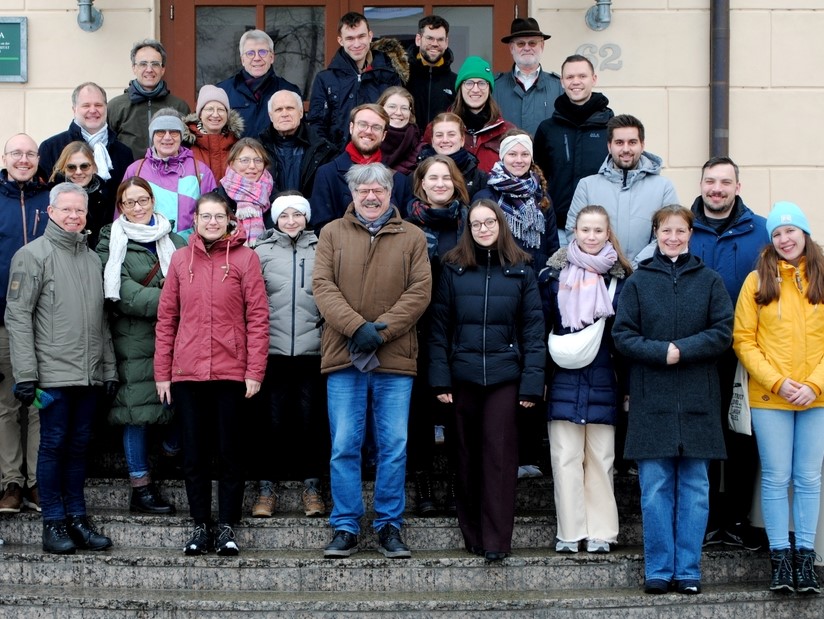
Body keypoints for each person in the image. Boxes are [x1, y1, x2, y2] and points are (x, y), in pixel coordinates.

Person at [612, 205, 733, 595]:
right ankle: (660, 569)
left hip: (699, 400)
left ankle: (689, 571)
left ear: (690, 234)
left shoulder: (710, 281)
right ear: (656, 234)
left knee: (696, 490)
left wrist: (682, 350)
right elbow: (623, 335)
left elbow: (723, 332)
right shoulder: (638, 282)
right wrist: (660, 352)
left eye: (681, 231)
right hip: (652, 401)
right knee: (655, 489)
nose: (673, 237)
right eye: (666, 231)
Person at [313, 163, 431, 559]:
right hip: (344, 356)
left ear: (390, 192)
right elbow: (322, 286)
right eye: (363, 190)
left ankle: (389, 525)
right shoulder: (331, 233)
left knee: (393, 445)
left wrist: (379, 332)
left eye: (378, 189)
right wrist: (355, 327)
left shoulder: (412, 236)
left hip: (394, 357)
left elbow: (420, 291)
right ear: (352, 194)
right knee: (344, 444)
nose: (371, 196)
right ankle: (345, 524)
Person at [428, 198, 545, 562]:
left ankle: (496, 540)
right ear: (468, 228)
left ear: (500, 225)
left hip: (505, 377)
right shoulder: (453, 267)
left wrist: (532, 383)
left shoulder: (522, 269)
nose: (483, 229)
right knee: (465, 458)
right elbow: (438, 328)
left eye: (489, 222)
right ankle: (473, 535)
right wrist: (440, 380)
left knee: (499, 460)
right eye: (476, 224)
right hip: (461, 377)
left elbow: (533, 331)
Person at [5, 182, 119, 555]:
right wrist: (26, 374)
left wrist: (109, 369)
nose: (73, 216)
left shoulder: (92, 259)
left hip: (88, 374)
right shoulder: (31, 255)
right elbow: (18, 316)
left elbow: (100, 320)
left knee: (79, 447)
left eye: (79, 210)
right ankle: (53, 521)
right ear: (51, 212)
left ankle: (77, 519)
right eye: (66, 209)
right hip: (50, 376)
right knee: (53, 445)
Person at [155, 192, 269, 556]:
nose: (212, 222)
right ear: (195, 219)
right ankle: (200, 525)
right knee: (194, 454)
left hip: (230, 372)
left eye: (219, 216)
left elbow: (258, 318)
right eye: (206, 216)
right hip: (187, 373)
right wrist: (162, 373)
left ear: (230, 219)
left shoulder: (246, 258)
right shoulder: (180, 259)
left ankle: (227, 527)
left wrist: (254, 370)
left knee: (230, 452)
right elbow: (166, 319)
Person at [733, 201, 824, 595]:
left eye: (791, 231)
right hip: (771, 398)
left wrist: (814, 385)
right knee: (776, 477)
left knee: (808, 478)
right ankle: (780, 561)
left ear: (804, 233)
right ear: (770, 240)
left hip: (816, 399)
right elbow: (744, 340)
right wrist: (777, 383)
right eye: (777, 233)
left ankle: (805, 560)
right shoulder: (757, 282)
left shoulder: (822, 276)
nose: (785, 239)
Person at [682, 157, 768, 552]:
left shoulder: (760, 231)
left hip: (743, 354)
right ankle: (703, 520)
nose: (717, 189)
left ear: (737, 186)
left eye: (725, 182)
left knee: (740, 436)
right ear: (701, 184)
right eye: (710, 181)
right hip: (694, 353)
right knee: (700, 436)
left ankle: (735, 519)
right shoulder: (683, 228)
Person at [540, 205, 632, 554]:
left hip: (605, 378)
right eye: (585, 230)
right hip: (563, 378)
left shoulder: (622, 279)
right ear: (573, 233)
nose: (591, 237)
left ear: (608, 234)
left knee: (601, 459)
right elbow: (541, 330)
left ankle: (602, 532)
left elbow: (626, 340)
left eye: (598, 231)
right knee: (565, 459)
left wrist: (627, 388)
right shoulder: (552, 276)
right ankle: (570, 532)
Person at [97, 177, 187, 515]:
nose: (138, 207)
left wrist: (176, 298)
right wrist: (173, 299)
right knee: (135, 411)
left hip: (175, 337)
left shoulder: (174, 239)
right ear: (120, 206)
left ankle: (169, 453)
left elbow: (191, 280)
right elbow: (124, 294)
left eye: (143, 200)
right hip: (132, 337)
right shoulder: (110, 241)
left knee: (182, 403)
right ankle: (141, 486)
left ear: (152, 201)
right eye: (130, 202)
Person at [251, 193, 328, 519]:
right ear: (276, 219)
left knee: (311, 421)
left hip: (313, 351)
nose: (291, 221)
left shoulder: (322, 248)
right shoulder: (261, 251)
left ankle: (312, 487)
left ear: (306, 218)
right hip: (273, 351)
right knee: (271, 422)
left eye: (297, 214)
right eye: (285, 215)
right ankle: (266, 488)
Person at [405, 155, 470, 515]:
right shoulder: (406, 225)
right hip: (419, 327)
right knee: (420, 413)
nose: (441, 183)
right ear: (422, 184)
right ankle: (425, 487)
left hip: (462, 329)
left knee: (458, 412)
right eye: (433, 178)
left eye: (447, 177)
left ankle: (458, 487)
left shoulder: (471, 222)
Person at [0, 134, 50, 516]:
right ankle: (11, 482)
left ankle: (36, 481)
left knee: (38, 404)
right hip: (3, 321)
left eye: (30, 153)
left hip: (44, 322)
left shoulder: (49, 200)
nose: (23, 159)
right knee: (4, 404)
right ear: (5, 158)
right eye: (16, 153)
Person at [567, 115, 679, 263]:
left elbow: (670, 234)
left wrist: (637, 266)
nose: (626, 149)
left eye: (632, 142)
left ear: (642, 145)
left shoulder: (663, 188)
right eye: (619, 142)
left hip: (648, 272)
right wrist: (605, 264)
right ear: (609, 146)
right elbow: (573, 231)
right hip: (599, 273)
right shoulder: (587, 186)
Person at [533, 55, 613, 242]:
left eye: (582, 76)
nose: (575, 82)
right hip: (559, 230)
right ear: (562, 82)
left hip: (601, 230)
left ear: (594, 79)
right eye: (569, 77)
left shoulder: (611, 127)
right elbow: (538, 177)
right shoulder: (547, 129)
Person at [308, 12, 408, 150]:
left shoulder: (389, 76)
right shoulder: (325, 79)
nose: (357, 44)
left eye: (361, 36)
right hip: (338, 158)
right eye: (350, 38)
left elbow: (398, 122)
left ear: (370, 36)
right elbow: (316, 125)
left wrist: (386, 155)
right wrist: (331, 156)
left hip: (380, 157)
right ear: (340, 40)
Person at [310, 104, 413, 231]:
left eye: (376, 127)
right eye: (363, 124)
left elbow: (405, 229)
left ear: (384, 135)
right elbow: (322, 228)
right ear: (351, 127)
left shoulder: (399, 180)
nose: (368, 131)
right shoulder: (327, 174)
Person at [38, 82, 134, 208]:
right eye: (86, 105)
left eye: (98, 105)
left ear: (106, 108)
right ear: (74, 110)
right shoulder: (50, 147)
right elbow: (44, 197)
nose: (93, 110)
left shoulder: (124, 152)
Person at [122, 109, 217, 235]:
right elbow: (123, 214)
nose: (167, 137)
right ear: (152, 136)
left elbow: (213, 214)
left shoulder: (200, 171)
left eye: (174, 132)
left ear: (181, 136)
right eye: (160, 132)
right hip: (145, 245)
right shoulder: (135, 170)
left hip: (188, 245)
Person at [423, 56, 516, 174]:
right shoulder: (437, 128)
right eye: (469, 83)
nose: (475, 89)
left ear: (489, 88)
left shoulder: (506, 131)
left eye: (482, 83)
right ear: (460, 87)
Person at [108, 39, 190, 159]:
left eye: (155, 64)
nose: (149, 69)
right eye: (143, 64)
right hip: (129, 171)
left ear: (163, 69)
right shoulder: (115, 107)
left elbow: (187, 147)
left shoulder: (179, 107)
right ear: (134, 68)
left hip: (171, 170)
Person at [216, 29, 302, 139]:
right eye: (250, 53)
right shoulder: (222, 91)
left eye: (262, 52)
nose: (257, 58)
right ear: (242, 60)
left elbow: (300, 135)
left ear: (272, 57)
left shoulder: (289, 91)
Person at [257, 90, 337, 198]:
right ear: (271, 116)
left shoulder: (324, 150)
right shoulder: (257, 149)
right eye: (278, 109)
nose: (284, 114)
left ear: (300, 112)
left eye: (290, 108)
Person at [493, 17, 561, 137]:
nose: (527, 48)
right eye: (520, 43)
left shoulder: (559, 87)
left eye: (532, 43)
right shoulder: (495, 87)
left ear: (542, 46)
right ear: (511, 48)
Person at [48, 141, 109, 248]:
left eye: (84, 166)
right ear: (63, 168)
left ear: (94, 167)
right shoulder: (50, 195)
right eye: (71, 167)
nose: (78, 172)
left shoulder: (105, 196)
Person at [417, 112, 487, 200]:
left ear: (462, 140)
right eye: (439, 135)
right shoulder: (418, 174)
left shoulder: (479, 178)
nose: (445, 140)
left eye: (451, 135)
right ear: (432, 141)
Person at [216, 137, 274, 245]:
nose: (252, 166)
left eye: (258, 160)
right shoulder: (218, 199)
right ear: (232, 163)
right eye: (244, 160)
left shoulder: (275, 198)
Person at [406, 15, 457, 132]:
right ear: (418, 40)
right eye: (429, 38)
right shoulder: (402, 77)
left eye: (440, 39)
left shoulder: (455, 83)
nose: (435, 44)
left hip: (443, 142)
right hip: (409, 143)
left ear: (446, 42)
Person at [183, 85, 245, 182]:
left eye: (221, 109)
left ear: (227, 114)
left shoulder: (238, 145)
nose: (215, 114)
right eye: (210, 109)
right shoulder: (185, 144)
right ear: (200, 114)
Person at [378, 86, 421, 175]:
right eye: (392, 107)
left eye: (404, 108)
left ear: (410, 111)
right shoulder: (368, 137)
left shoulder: (420, 144)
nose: (398, 113)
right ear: (381, 108)